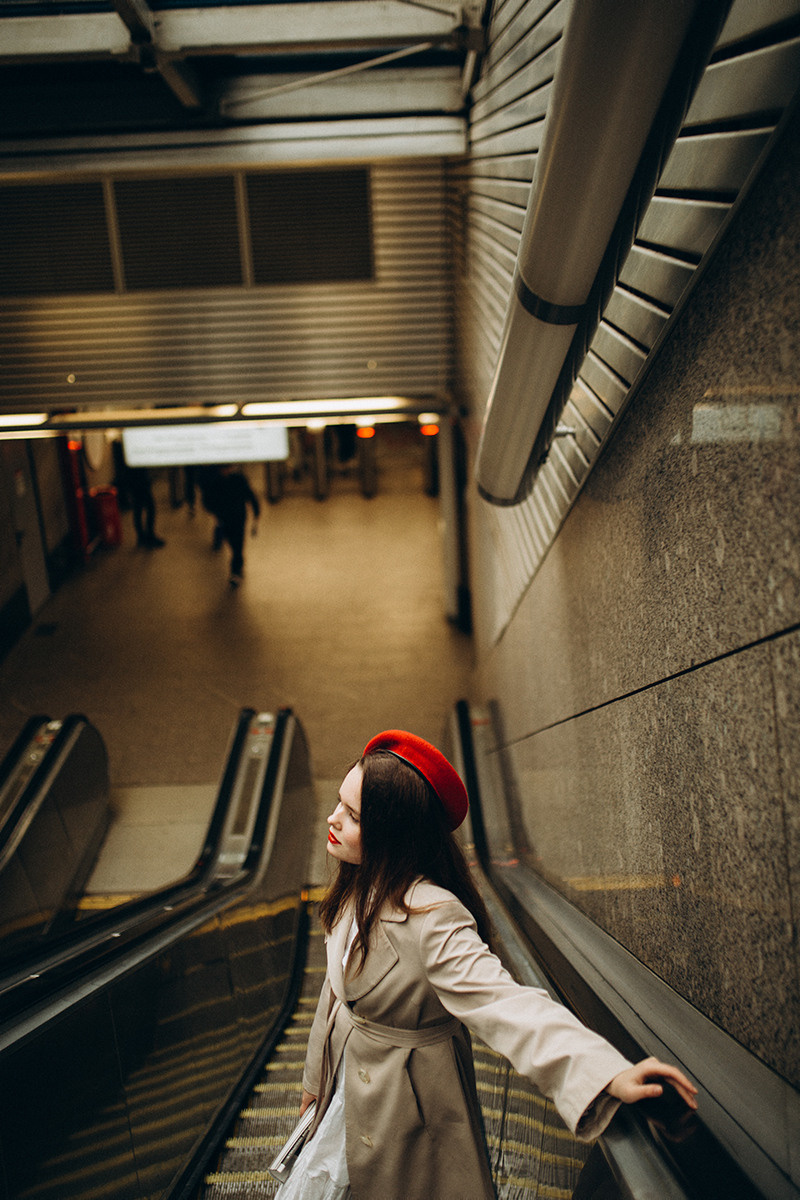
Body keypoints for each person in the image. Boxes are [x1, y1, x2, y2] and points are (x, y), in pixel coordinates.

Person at [279, 730, 698, 1200]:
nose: (333, 819)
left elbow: (506, 1004)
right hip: (345, 1091)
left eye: (353, 816)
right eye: (340, 803)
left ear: (393, 832)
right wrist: (315, 1081)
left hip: (408, 1108)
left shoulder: (433, 917)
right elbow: (336, 997)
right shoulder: (356, 886)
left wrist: (606, 1073)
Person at [213, 464, 260, 586]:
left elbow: (250, 495)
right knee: (233, 542)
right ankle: (238, 565)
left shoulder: (237, 479)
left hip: (238, 516)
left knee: (237, 544)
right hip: (227, 516)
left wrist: (256, 512)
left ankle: (235, 570)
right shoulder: (219, 481)